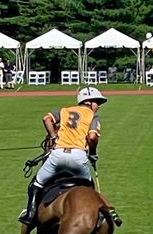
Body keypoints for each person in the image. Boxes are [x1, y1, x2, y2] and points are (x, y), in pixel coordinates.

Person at [18, 86, 107, 225]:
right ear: (88, 102)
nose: (98, 106)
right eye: (97, 102)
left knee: (36, 183)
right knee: (89, 185)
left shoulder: (64, 111)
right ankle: (98, 217)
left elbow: (46, 119)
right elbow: (93, 137)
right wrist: (93, 154)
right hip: (78, 157)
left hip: (57, 155)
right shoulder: (93, 116)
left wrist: (53, 137)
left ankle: (30, 215)